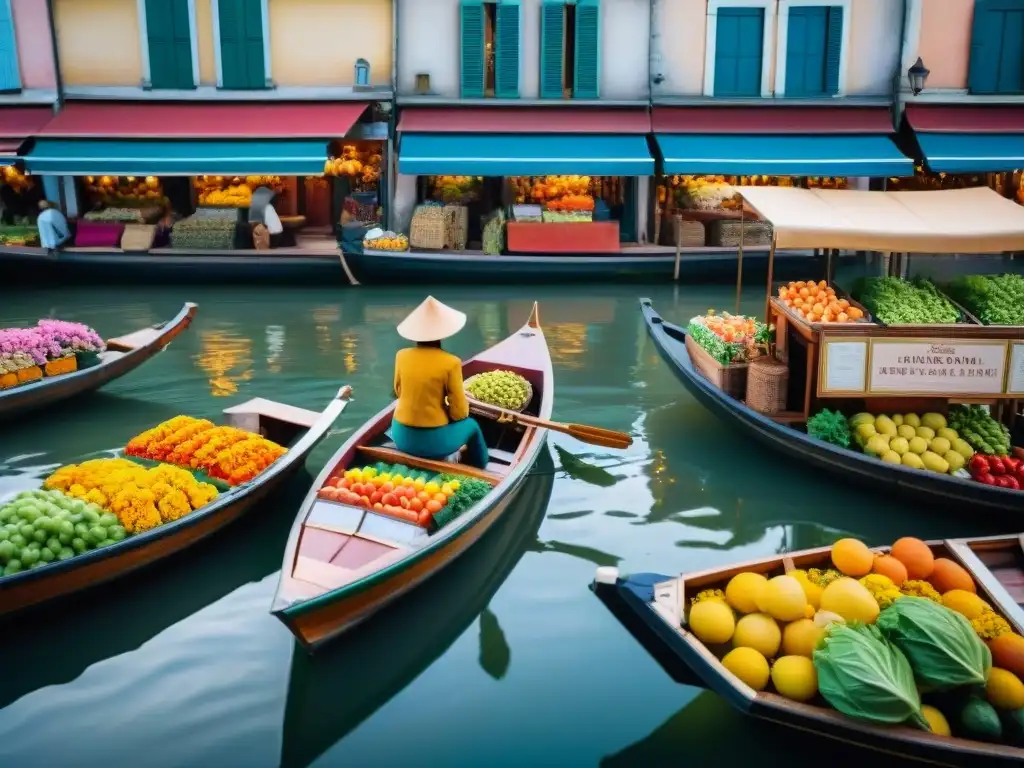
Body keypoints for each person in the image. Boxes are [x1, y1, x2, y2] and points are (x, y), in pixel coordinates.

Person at [390, 296, 489, 469]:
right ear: (443, 334)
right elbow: (459, 412)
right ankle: (482, 466)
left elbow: (399, 391)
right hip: (433, 444)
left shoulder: (401, 355)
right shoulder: (451, 362)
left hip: (401, 436)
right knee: (472, 425)